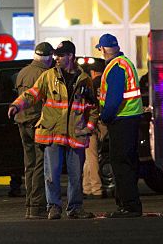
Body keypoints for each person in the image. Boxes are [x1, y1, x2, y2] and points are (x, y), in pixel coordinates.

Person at [9, 40, 98, 220]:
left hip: (75, 134)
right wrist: (17, 105)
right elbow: (32, 94)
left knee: (75, 175)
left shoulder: (84, 80)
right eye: (56, 55)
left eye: (60, 55)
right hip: (52, 132)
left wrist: (88, 128)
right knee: (51, 174)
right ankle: (54, 207)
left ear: (70, 56)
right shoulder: (48, 76)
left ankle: (74, 208)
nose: (56, 58)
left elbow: (92, 107)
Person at [96, 33, 144, 218]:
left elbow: (114, 98)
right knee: (128, 163)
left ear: (103, 48)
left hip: (121, 119)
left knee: (120, 163)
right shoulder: (125, 62)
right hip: (130, 119)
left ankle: (129, 206)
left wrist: (105, 117)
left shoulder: (115, 67)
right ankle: (129, 204)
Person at [11, 42, 54, 218]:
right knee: (39, 165)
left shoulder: (23, 72)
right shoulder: (44, 74)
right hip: (36, 123)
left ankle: (30, 205)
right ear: (49, 57)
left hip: (22, 122)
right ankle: (37, 206)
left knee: (29, 165)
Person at [82, 65, 107, 198]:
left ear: (92, 72)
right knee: (89, 157)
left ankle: (96, 189)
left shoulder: (90, 84)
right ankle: (87, 188)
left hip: (93, 123)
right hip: (103, 122)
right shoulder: (105, 82)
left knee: (90, 156)